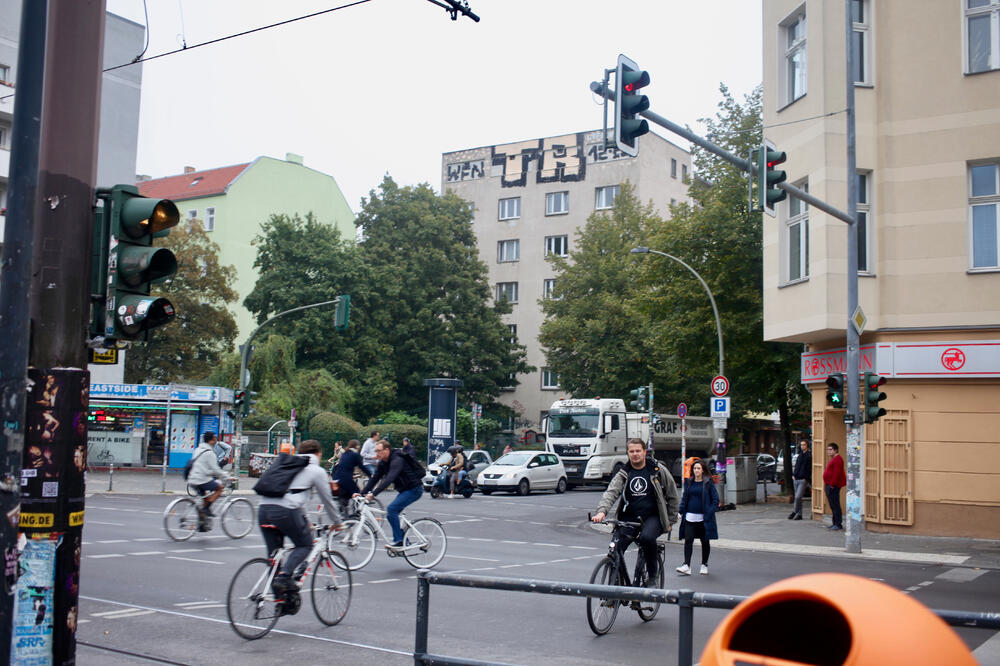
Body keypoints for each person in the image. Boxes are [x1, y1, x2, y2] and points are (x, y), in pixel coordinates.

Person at [257, 439, 342, 603]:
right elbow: (328, 500)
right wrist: (337, 522)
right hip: (285, 511)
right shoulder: (316, 470)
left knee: (274, 558)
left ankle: (280, 601)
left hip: (263, 509)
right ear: (318, 454)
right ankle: (285, 577)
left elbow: (294, 495)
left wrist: (305, 520)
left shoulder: (289, 465)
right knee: (305, 545)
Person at [591, 439, 679, 588]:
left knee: (647, 538)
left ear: (645, 452)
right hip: (629, 517)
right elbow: (611, 492)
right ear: (628, 453)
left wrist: (670, 521)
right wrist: (601, 512)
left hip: (653, 517)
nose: (635, 454)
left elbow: (672, 494)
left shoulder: (657, 470)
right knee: (616, 548)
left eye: (638, 451)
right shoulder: (624, 472)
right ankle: (614, 587)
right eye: (631, 451)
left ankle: (652, 576)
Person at [359, 439, 424, 548]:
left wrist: (373, 494)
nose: (377, 454)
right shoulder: (383, 463)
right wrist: (361, 493)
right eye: (376, 451)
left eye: (379, 451)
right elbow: (374, 479)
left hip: (414, 489)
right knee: (391, 514)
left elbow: (389, 479)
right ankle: (404, 540)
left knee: (392, 509)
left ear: (387, 450)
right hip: (405, 490)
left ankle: (398, 540)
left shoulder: (397, 460)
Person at [676, 458, 720, 576]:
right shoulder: (689, 482)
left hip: (704, 519)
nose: (696, 470)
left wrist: (709, 513)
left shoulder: (708, 483)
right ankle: (686, 565)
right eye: (694, 468)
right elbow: (685, 498)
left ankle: (704, 564)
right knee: (688, 540)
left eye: (698, 468)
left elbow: (715, 500)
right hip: (689, 517)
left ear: (703, 470)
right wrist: (680, 512)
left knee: (704, 541)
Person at [187, 433, 233, 529]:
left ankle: (202, 524)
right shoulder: (210, 453)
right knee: (219, 488)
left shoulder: (198, 450)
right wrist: (227, 477)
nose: (216, 440)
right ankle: (205, 510)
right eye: (215, 438)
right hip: (201, 479)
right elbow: (216, 470)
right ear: (211, 440)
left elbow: (202, 466)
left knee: (205, 499)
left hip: (192, 479)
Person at [331, 439, 365, 515]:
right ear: (357, 446)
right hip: (346, 478)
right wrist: (371, 475)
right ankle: (357, 511)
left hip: (338, 478)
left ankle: (343, 509)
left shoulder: (345, 453)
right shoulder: (354, 454)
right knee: (357, 492)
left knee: (345, 494)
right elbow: (362, 467)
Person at [823, 442, 846, 530]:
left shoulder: (837, 459)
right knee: (832, 505)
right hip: (830, 484)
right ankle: (835, 523)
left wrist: (832, 484)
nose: (828, 451)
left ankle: (838, 523)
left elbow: (837, 473)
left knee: (835, 504)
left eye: (830, 449)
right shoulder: (834, 459)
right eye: (828, 449)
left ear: (835, 450)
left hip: (833, 486)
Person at [789, 440, 812, 520]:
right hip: (796, 478)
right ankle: (799, 515)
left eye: (804, 445)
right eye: (801, 445)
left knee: (798, 497)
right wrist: (793, 475)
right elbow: (796, 466)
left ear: (807, 445)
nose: (802, 446)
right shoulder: (799, 455)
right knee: (798, 497)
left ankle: (794, 511)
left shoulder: (809, 455)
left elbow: (809, 468)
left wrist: (806, 477)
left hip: (803, 479)